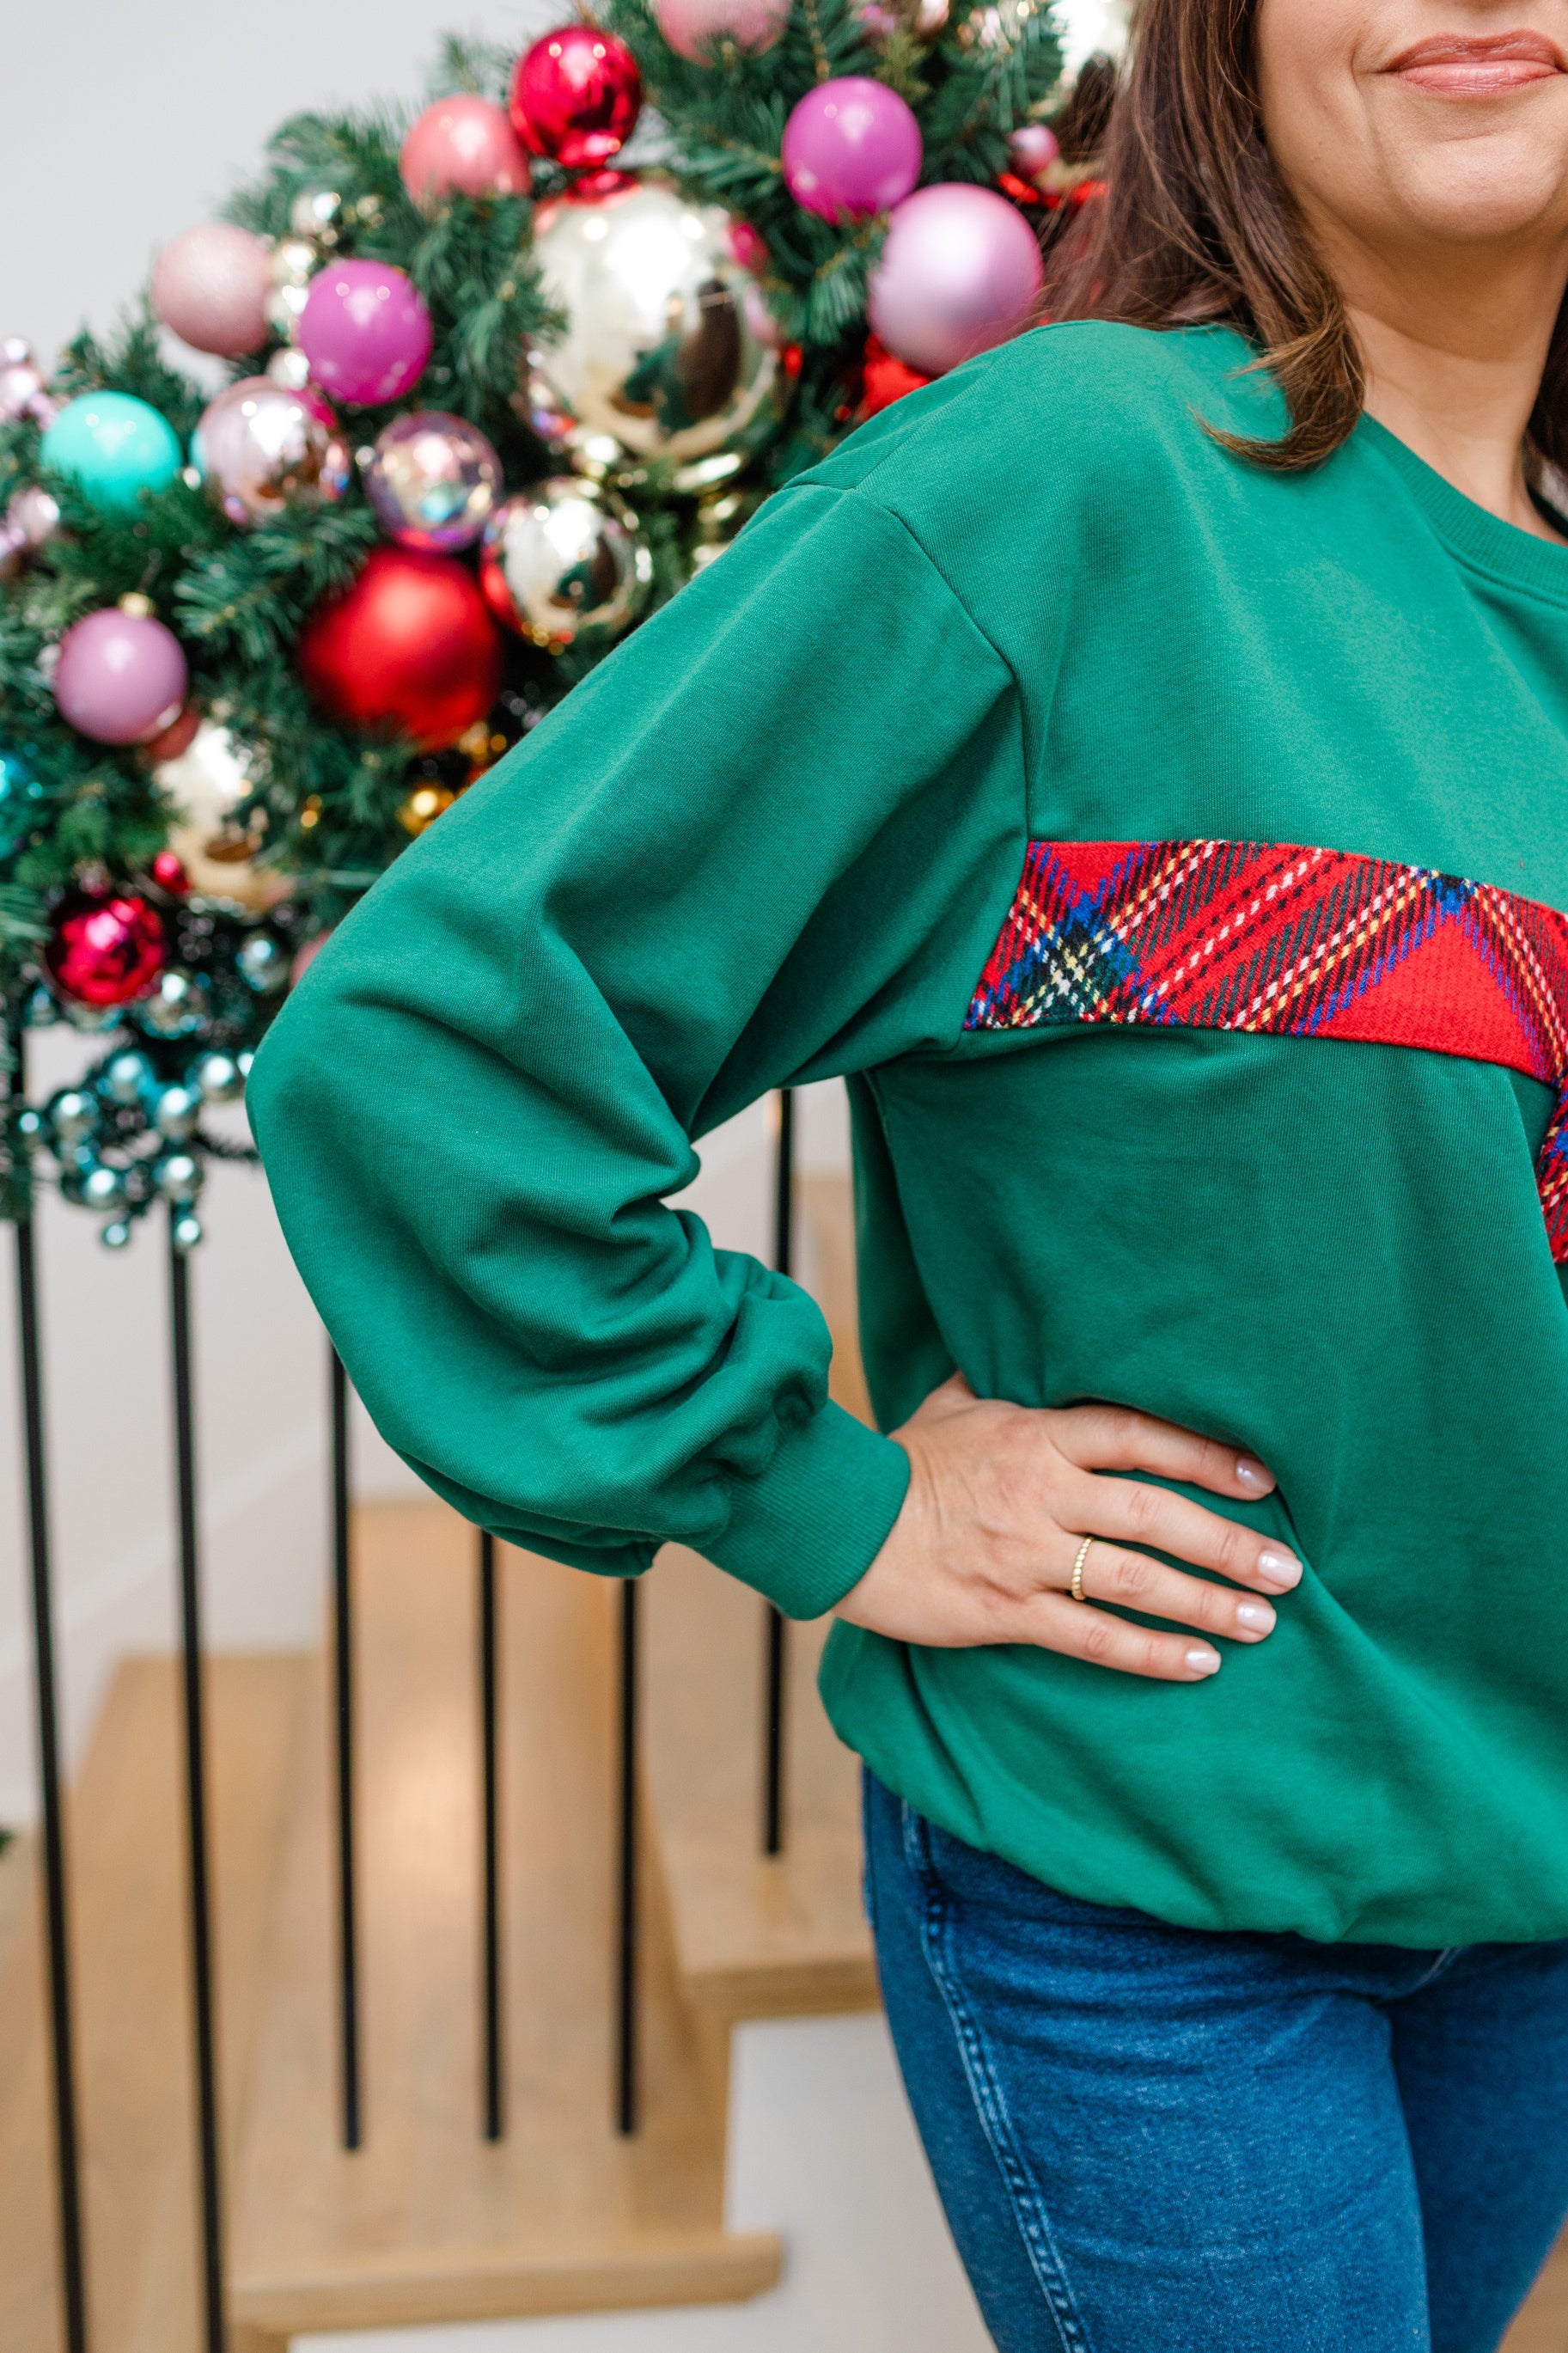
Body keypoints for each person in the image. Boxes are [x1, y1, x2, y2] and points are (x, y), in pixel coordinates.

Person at [248, 2, 1568, 2344]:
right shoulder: (1067, 490)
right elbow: (430, 1051)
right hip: (1153, 1891)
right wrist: (829, 1499)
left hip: (1536, 1898)